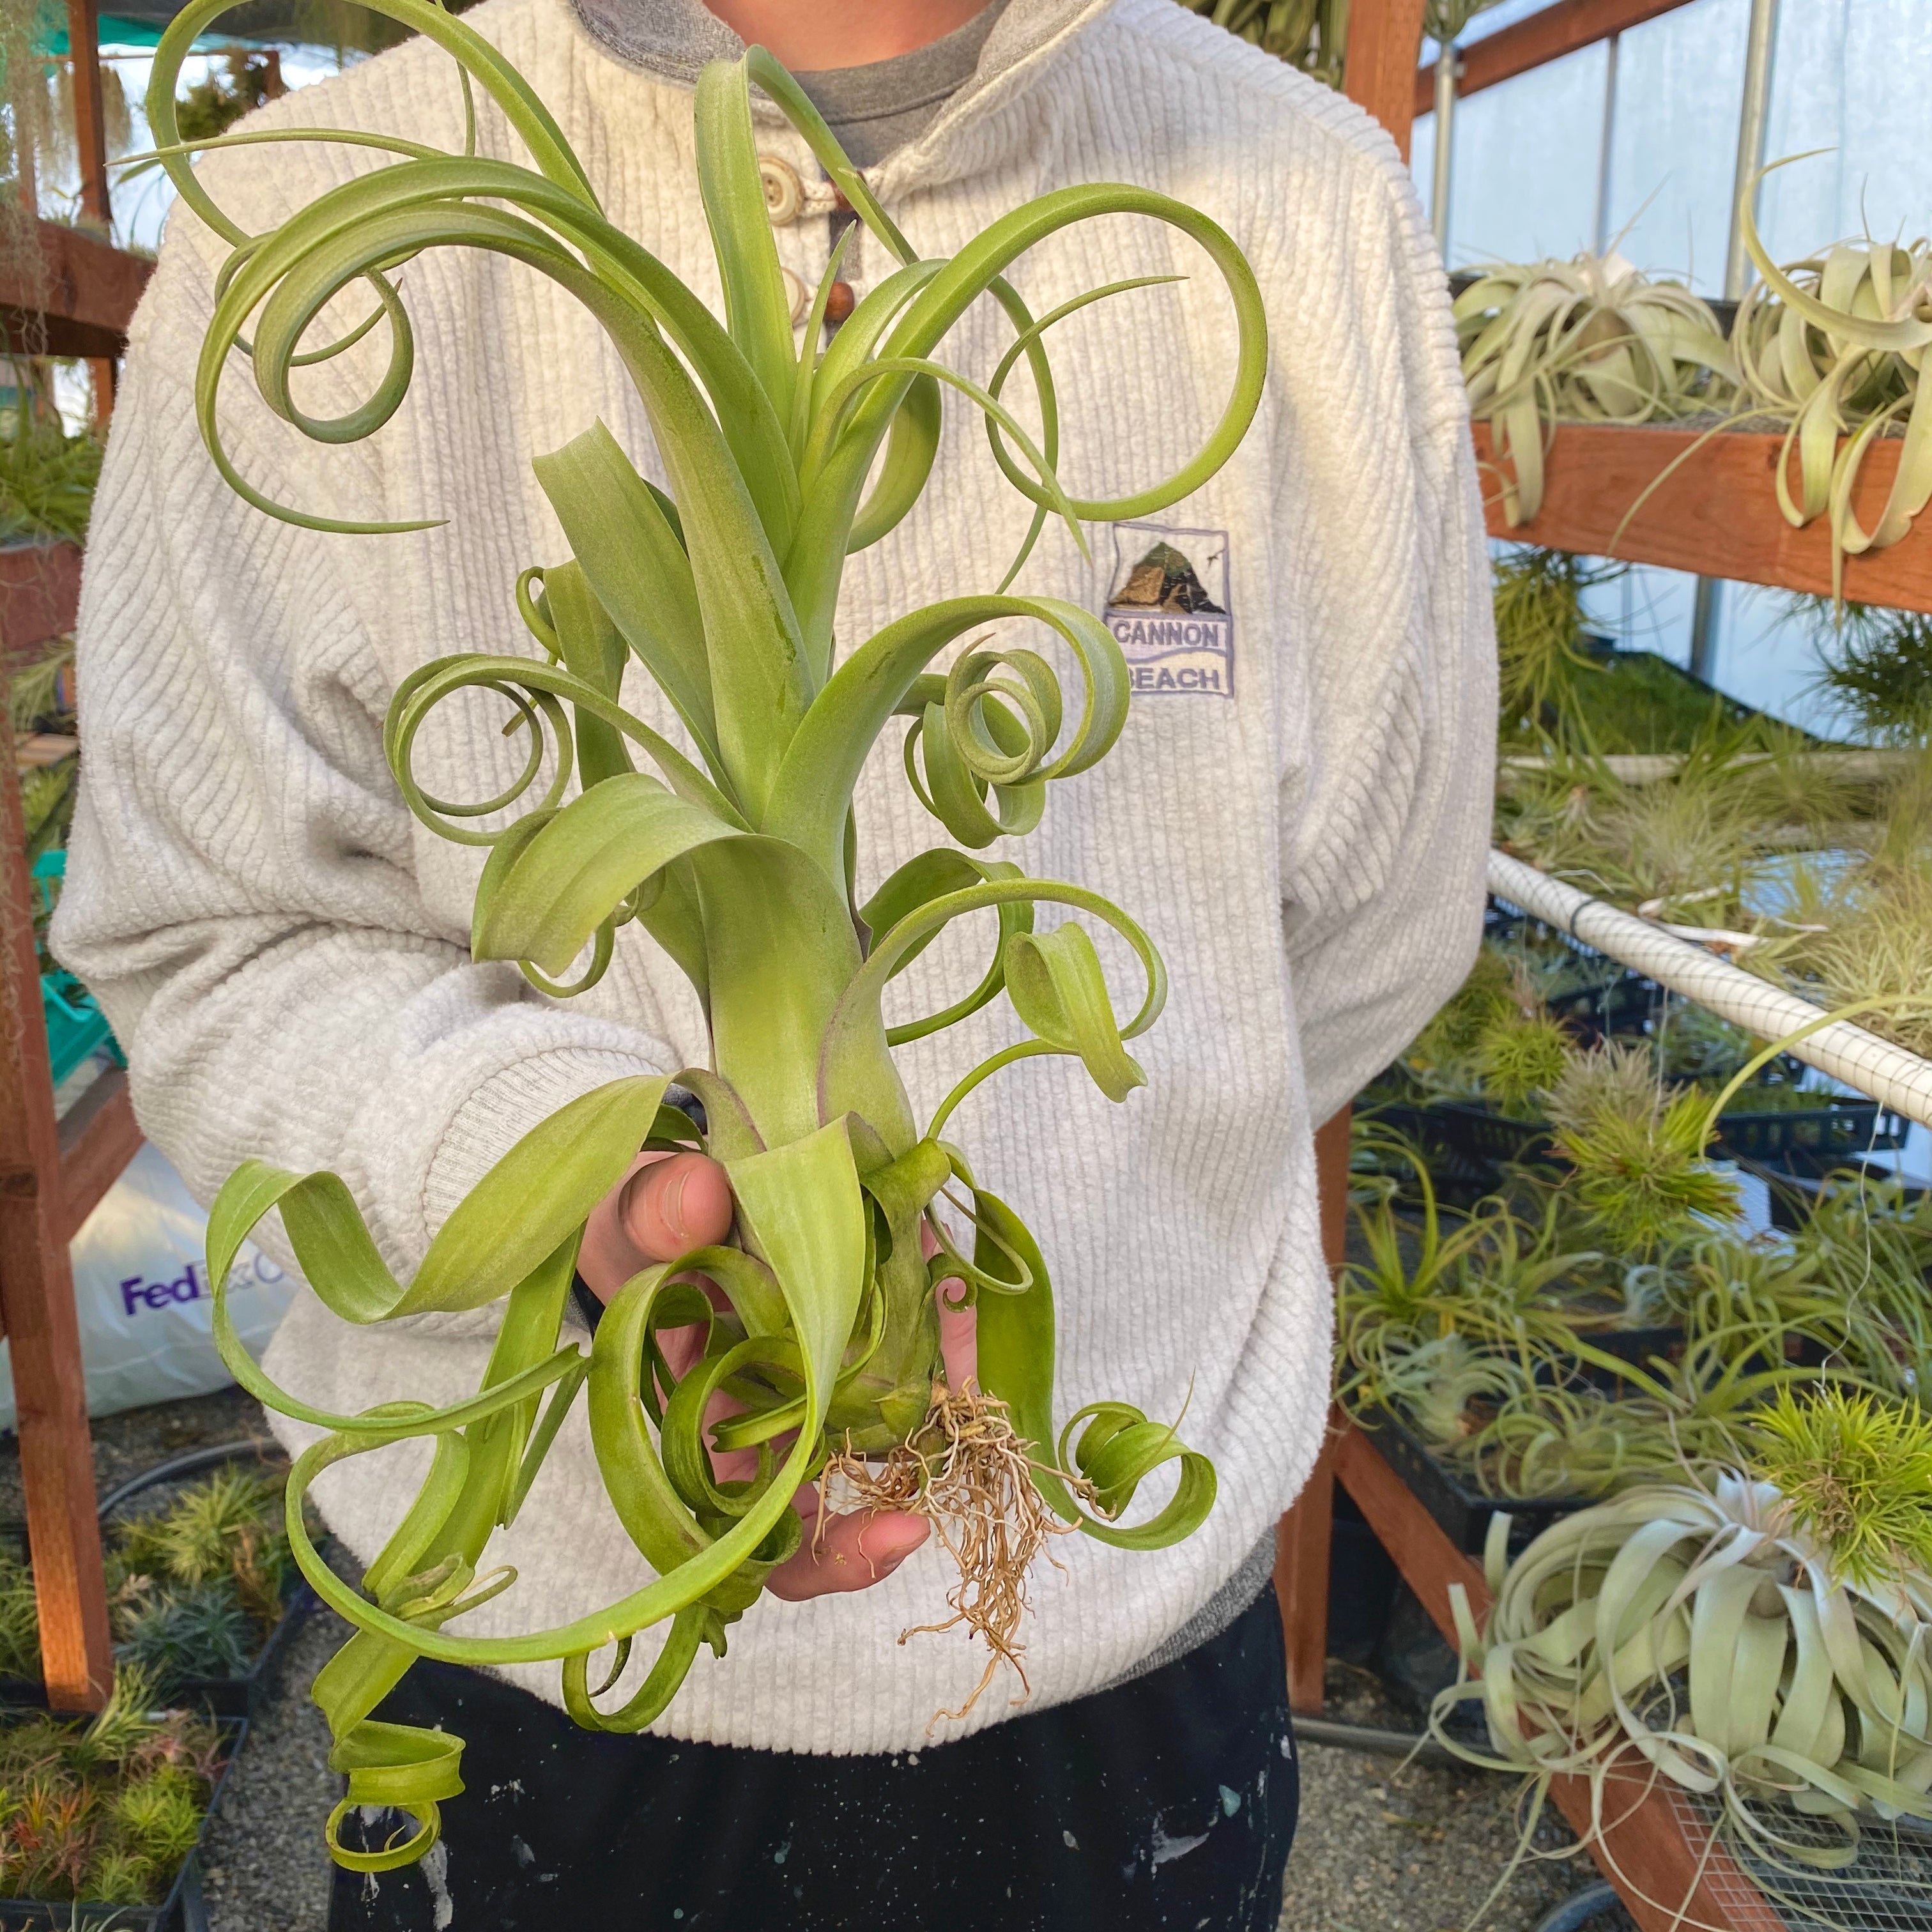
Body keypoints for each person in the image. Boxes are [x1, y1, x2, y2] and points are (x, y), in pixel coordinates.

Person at [54, 0, 1496, 1923]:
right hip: (540, 1657)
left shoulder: (1299, 195)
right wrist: (598, 1177)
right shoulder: (311, 214)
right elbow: (204, 935)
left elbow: (1378, 920)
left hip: (1122, 1635)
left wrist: (1044, 1184)